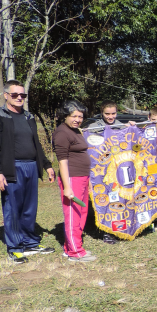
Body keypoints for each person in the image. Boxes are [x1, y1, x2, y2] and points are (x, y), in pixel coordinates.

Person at [0, 80, 56, 263]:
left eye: (22, 95)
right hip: (11, 167)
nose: (19, 98)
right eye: (15, 94)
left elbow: (36, 145)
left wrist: (46, 165)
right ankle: (15, 247)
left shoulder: (28, 117)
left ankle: (30, 243)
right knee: (13, 208)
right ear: (6, 95)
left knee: (29, 208)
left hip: (31, 166)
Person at [53, 100, 96, 262]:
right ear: (65, 116)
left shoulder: (75, 131)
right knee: (72, 214)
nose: (77, 119)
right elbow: (62, 161)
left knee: (81, 212)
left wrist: (88, 181)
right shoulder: (62, 133)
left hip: (82, 177)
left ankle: (70, 247)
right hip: (72, 178)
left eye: (80, 116)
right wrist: (67, 186)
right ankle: (75, 252)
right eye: (74, 116)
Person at [87, 101, 135, 243]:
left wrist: (132, 128)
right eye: (107, 114)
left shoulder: (121, 126)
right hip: (101, 172)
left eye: (113, 113)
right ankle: (105, 231)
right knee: (104, 200)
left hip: (119, 171)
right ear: (101, 113)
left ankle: (120, 229)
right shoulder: (93, 128)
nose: (110, 116)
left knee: (119, 200)